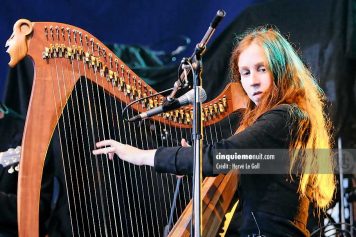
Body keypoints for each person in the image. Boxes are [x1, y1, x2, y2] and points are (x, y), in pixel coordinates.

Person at [92, 26, 335, 236]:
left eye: (262, 69)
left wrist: (141, 156)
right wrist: (192, 163)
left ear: (282, 71)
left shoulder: (286, 117)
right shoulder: (281, 121)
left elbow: (221, 155)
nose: (252, 81)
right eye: (245, 72)